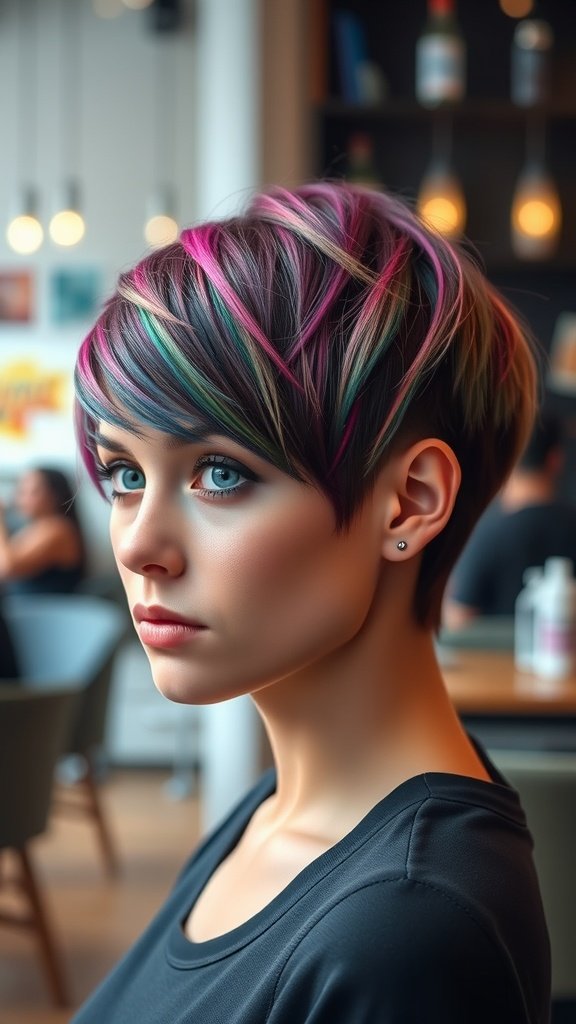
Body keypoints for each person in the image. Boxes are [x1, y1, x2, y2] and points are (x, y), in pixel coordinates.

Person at [71, 182, 550, 1023]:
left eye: (221, 473)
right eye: (125, 475)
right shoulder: (285, 811)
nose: (139, 544)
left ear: (407, 502)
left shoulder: (406, 933)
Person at [443, 411, 576, 628]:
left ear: (505, 458)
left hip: (493, 661)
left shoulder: (486, 533)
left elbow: (457, 622)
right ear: (555, 459)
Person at [0, 466, 86, 595]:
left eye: (31, 492)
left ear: (55, 496)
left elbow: (7, 569)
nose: (20, 498)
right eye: (21, 491)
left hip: (45, 606)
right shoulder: (34, 526)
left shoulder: (58, 528)